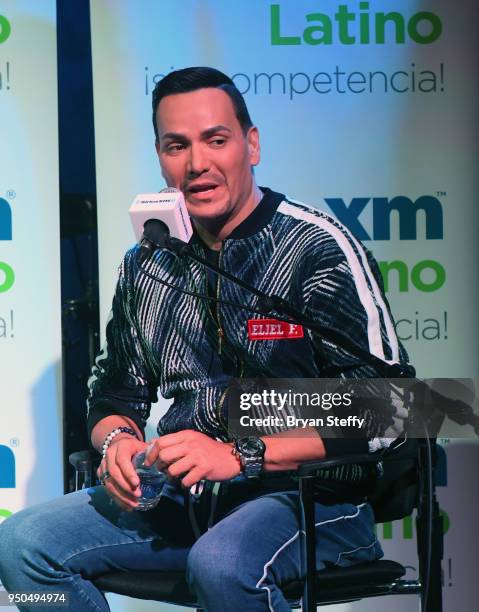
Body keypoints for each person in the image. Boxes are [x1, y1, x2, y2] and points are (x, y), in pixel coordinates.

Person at [0, 67, 410, 611]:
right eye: (177, 146)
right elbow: (114, 394)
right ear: (160, 155)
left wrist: (240, 454)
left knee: (220, 564)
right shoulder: (149, 261)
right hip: (185, 497)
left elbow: (393, 408)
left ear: (251, 144)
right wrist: (117, 444)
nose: (197, 164)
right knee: (24, 546)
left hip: (310, 496)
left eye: (216, 140)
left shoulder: (318, 247)